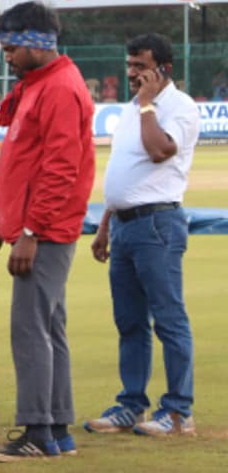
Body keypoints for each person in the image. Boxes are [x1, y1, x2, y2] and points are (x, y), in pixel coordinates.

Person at [0, 1, 94, 461]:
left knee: (30, 329)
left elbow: (60, 170)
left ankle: (38, 432)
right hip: (36, 227)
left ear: (38, 43)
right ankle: (57, 429)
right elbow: (25, 170)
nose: (6, 57)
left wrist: (30, 232)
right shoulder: (39, 85)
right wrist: (1, 229)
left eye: (10, 48)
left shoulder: (60, 89)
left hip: (45, 231)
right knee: (49, 327)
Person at [85, 33, 200, 436]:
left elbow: (158, 151)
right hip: (124, 225)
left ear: (163, 69)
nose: (131, 73)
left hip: (157, 224)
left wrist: (149, 105)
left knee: (168, 320)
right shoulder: (134, 108)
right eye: (130, 65)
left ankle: (177, 412)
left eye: (140, 66)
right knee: (130, 322)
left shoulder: (178, 108)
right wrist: (103, 225)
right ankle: (130, 405)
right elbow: (124, 171)